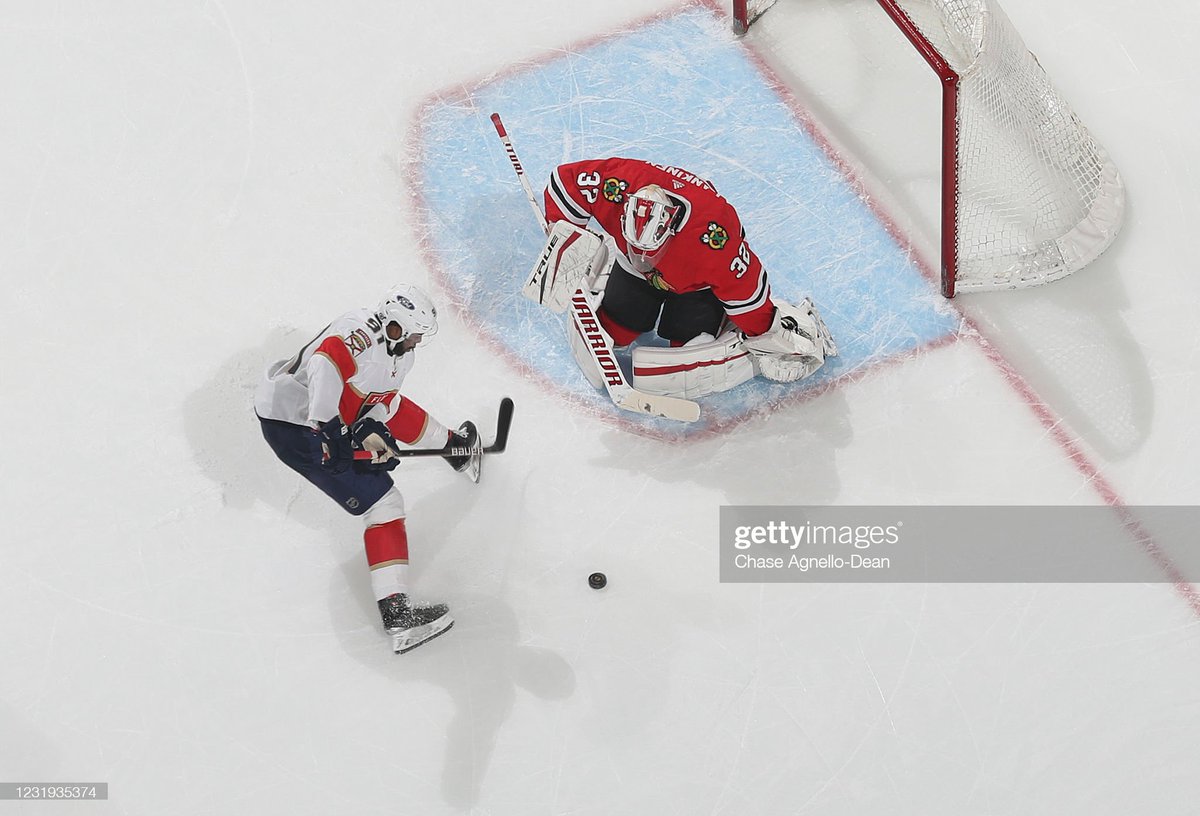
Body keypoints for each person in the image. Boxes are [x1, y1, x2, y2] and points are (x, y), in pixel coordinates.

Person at [254, 284, 478, 654]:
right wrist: (331, 430)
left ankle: (456, 449)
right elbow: (326, 362)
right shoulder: (359, 333)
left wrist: (372, 431)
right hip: (292, 425)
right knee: (385, 505)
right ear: (396, 328)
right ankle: (398, 619)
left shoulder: (399, 355)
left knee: (394, 406)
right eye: (415, 335)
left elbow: (383, 402)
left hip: (321, 421)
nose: (418, 342)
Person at [536, 157, 836, 397]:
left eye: (649, 251)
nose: (644, 259)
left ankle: (722, 329)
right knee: (618, 328)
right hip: (634, 268)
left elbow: (746, 291)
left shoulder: (713, 241)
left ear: (672, 229)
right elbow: (564, 183)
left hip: (695, 286)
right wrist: (568, 239)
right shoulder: (618, 185)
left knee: (687, 348)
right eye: (636, 247)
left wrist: (764, 331)